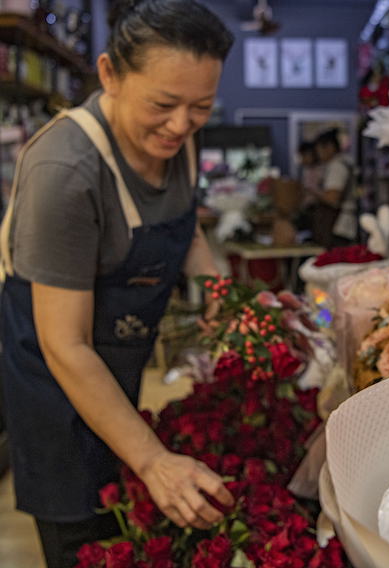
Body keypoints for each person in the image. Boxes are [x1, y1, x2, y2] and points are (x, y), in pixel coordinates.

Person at [0, 1, 235, 566]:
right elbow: (65, 344)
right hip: (56, 383)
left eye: (200, 107)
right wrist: (153, 461)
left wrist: (221, 292)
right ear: (109, 74)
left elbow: (187, 231)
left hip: (118, 365)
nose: (181, 124)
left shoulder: (177, 138)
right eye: (163, 104)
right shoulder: (67, 171)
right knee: (84, 534)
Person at [308, 128, 357, 248]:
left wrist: (312, 191)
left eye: (319, 150)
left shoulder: (337, 166)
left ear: (329, 147)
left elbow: (332, 198)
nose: (318, 155)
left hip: (340, 226)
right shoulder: (343, 162)